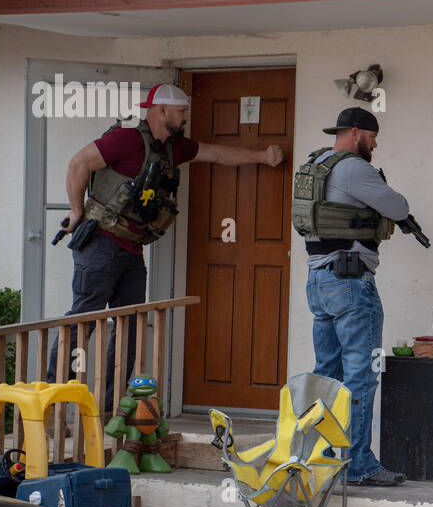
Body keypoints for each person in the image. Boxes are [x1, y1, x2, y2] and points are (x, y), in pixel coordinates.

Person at [48, 83, 284, 408]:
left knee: (130, 329)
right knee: (83, 321)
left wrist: (261, 156)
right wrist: (76, 211)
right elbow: (78, 164)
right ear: (162, 111)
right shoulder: (126, 138)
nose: (186, 117)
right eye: (182, 112)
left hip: (132, 252)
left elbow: (216, 153)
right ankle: (51, 405)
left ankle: (107, 412)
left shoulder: (174, 148)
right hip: (100, 244)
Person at [296, 107, 409, 486]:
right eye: (373, 136)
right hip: (350, 283)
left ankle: (321, 456)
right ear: (357, 132)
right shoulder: (353, 167)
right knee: (362, 376)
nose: (375, 143)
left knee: (327, 373)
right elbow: (398, 206)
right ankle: (359, 464)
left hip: (318, 282)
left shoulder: (317, 164)